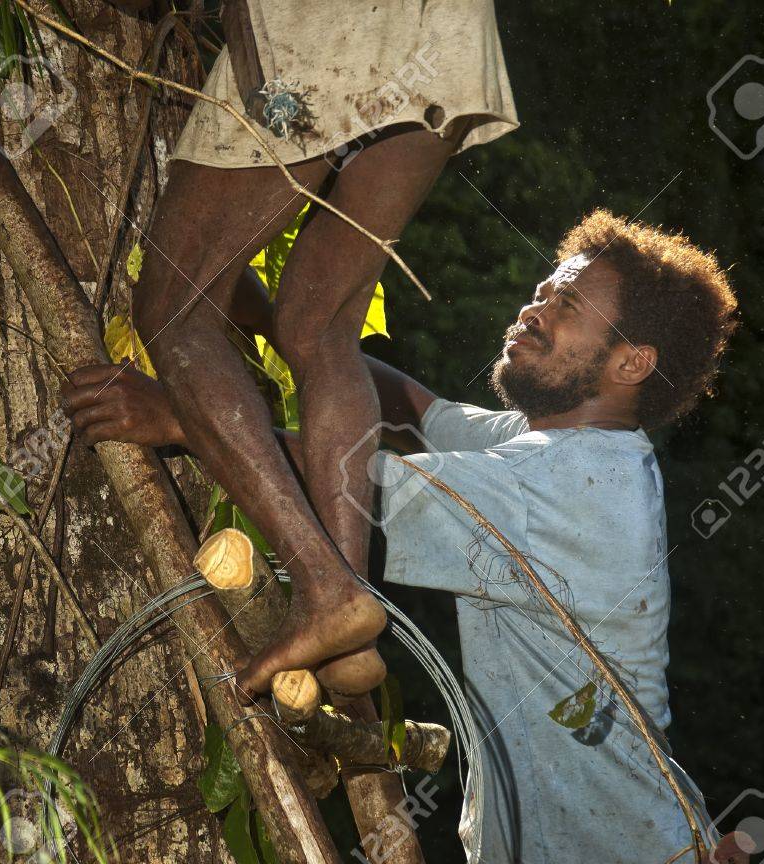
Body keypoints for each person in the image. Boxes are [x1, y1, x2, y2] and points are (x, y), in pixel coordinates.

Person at [64, 210, 743, 862]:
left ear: (631, 364)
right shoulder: (580, 448)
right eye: (541, 294)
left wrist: (185, 417)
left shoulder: (568, 484)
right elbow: (417, 417)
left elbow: (358, 484)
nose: (533, 312)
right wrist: (275, 320)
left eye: (567, 307)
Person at [132, 0, 518, 696]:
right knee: (316, 323)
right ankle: (347, 608)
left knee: (172, 308)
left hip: (326, 26)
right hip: (446, 29)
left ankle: (323, 585)